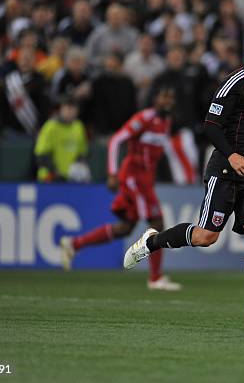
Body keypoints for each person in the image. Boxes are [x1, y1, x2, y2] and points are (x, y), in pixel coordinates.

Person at [123, 31, 244, 329]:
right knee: (207, 236)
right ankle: (152, 242)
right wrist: (232, 155)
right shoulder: (236, 82)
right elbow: (211, 125)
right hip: (226, 171)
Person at [59, 85, 181, 291]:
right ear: (155, 98)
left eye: (170, 97)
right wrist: (112, 173)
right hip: (134, 178)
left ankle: (74, 244)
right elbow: (116, 140)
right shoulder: (144, 119)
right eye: (163, 96)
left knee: (125, 228)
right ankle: (155, 278)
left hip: (145, 180)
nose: (167, 101)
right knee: (157, 222)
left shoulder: (166, 122)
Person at [34, 97, 89, 183]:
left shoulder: (78, 127)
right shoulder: (50, 127)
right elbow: (41, 155)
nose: (70, 112)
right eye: (67, 108)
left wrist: (79, 167)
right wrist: (55, 172)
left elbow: (82, 153)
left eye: (73, 108)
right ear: (61, 109)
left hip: (71, 179)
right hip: (49, 179)